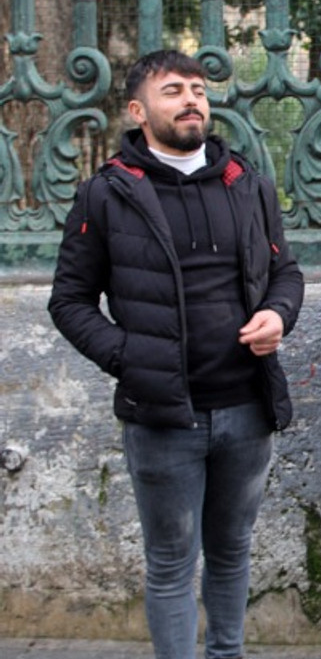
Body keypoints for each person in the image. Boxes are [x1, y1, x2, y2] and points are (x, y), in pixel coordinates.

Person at [47, 49, 304, 659]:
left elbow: (284, 272)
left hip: (247, 407)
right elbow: (70, 301)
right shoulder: (105, 194)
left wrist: (279, 315)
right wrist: (130, 358)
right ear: (138, 110)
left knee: (233, 552)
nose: (192, 99)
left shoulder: (249, 184)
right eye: (173, 91)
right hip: (163, 416)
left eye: (198, 89)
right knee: (169, 562)